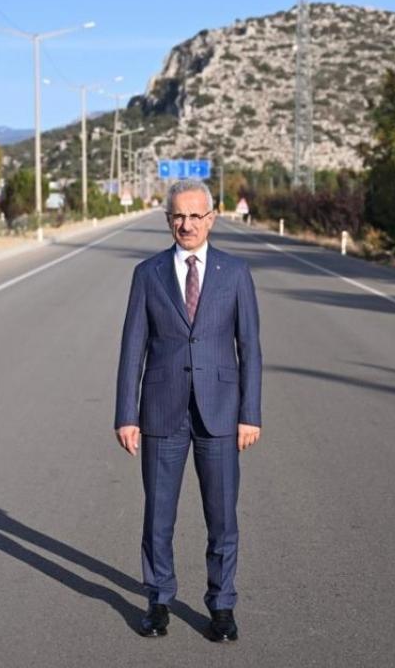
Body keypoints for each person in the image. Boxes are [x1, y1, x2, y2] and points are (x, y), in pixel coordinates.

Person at [113, 179, 262, 642]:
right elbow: (132, 347)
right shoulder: (148, 273)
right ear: (168, 220)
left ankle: (221, 605)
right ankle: (158, 600)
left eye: (196, 216)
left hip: (220, 415)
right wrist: (127, 414)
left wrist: (249, 413)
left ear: (212, 219)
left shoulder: (235, 273)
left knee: (222, 520)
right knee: (158, 516)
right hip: (161, 413)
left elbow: (250, 349)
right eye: (179, 216)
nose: (187, 224)